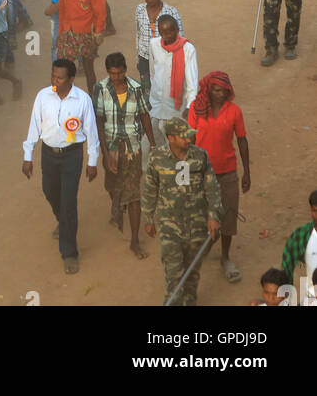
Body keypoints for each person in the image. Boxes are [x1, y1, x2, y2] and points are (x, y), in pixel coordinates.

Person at [22, 57, 100, 275]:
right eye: (53, 75)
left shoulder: (82, 100)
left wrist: (92, 161)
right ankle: (63, 220)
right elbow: (34, 126)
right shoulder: (43, 96)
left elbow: (92, 132)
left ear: (71, 79)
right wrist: (28, 156)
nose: (55, 80)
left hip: (72, 156)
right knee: (49, 191)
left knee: (68, 202)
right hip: (49, 154)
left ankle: (70, 253)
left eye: (60, 77)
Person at [141, 116, 221, 307]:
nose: (188, 140)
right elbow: (150, 188)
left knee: (192, 273)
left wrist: (214, 216)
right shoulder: (157, 158)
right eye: (184, 137)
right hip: (170, 227)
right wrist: (148, 218)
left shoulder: (200, 156)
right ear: (171, 138)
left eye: (189, 136)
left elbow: (212, 188)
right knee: (174, 274)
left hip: (197, 225)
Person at [187, 71, 250, 283]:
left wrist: (247, 173)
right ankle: (201, 249)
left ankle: (225, 258)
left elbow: (242, 140)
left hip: (228, 172)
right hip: (202, 173)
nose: (220, 93)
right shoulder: (196, 110)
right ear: (208, 90)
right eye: (216, 89)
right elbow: (188, 142)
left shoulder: (234, 112)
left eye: (224, 90)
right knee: (202, 216)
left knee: (228, 216)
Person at [93, 51, 154, 259]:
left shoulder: (137, 89)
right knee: (112, 185)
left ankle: (135, 241)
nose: (116, 78)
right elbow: (99, 122)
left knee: (134, 195)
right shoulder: (100, 89)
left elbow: (145, 115)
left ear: (125, 71)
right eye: (112, 74)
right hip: (110, 147)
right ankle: (117, 204)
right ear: (108, 72)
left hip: (132, 149)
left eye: (119, 73)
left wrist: (152, 144)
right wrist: (106, 152)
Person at [148, 13, 198, 137]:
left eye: (170, 32)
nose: (166, 36)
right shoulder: (154, 44)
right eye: (162, 33)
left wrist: (188, 107)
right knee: (156, 134)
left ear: (177, 29)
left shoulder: (188, 49)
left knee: (173, 138)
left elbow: (192, 82)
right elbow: (152, 72)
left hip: (176, 105)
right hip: (157, 102)